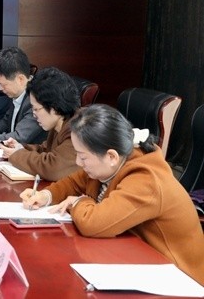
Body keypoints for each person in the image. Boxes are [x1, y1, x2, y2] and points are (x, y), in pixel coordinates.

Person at [21, 104, 204, 285]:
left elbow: (93, 224)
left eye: (83, 157)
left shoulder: (146, 179)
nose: (78, 162)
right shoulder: (111, 164)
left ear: (111, 156)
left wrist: (79, 202)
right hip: (139, 262)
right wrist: (46, 195)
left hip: (179, 279)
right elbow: (74, 182)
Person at [0, 67, 80, 181]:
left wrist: (16, 155)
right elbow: (45, 150)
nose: (34, 114)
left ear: (54, 108)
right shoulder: (59, 124)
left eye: (36, 109)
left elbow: (53, 168)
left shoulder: (79, 129)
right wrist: (19, 148)